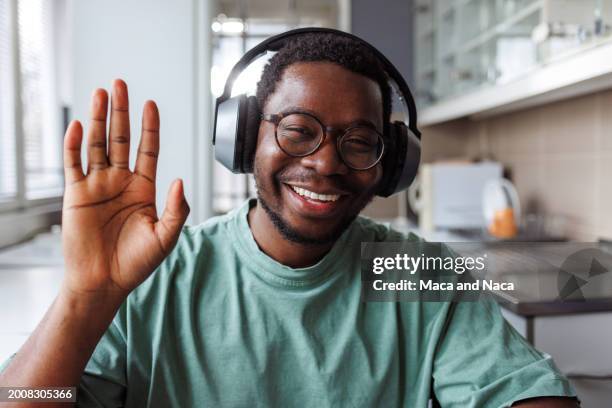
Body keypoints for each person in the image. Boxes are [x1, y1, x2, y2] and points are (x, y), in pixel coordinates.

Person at [0, 31, 579, 407]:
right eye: (297, 131)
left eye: (360, 142)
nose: (325, 163)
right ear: (246, 139)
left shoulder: (419, 275)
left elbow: (523, 394)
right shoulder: (154, 277)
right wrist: (86, 295)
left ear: (391, 165)